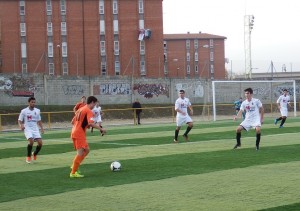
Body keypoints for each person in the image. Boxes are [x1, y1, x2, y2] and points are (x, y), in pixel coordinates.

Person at [70, 96, 105, 178]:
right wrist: (101, 129)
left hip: (75, 131)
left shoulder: (81, 109)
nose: (95, 105)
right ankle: (73, 172)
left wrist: (83, 125)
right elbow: (90, 123)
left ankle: (75, 165)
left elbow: (72, 122)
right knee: (80, 153)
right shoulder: (88, 111)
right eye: (95, 103)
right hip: (79, 133)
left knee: (87, 150)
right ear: (92, 102)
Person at [18, 97, 44, 164]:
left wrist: (42, 128)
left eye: (34, 102)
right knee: (31, 141)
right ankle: (28, 157)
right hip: (27, 128)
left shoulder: (37, 110)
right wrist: (21, 125)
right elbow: (19, 120)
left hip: (35, 128)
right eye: (32, 102)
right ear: (29, 102)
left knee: (40, 143)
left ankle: (34, 153)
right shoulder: (24, 111)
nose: (33, 103)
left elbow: (39, 120)